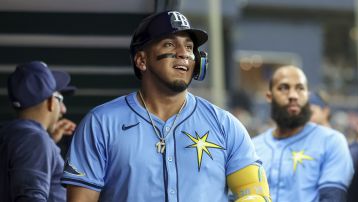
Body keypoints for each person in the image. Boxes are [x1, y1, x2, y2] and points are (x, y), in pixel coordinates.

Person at [61, 10, 271, 202]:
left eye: (189, 47)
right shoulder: (101, 123)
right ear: (142, 60)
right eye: (169, 44)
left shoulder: (226, 125)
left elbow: (254, 193)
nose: (184, 53)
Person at [252, 65, 354, 202]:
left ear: (307, 95)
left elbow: (332, 197)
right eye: (283, 88)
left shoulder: (331, 141)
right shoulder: (252, 148)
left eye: (300, 88)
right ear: (269, 96)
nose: (293, 95)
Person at [0, 61, 73, 201]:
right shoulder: (34, 139)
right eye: (60, 99)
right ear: (51, 102)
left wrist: (48, 142)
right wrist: (42, 142)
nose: (63, 109)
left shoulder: (9, 134)